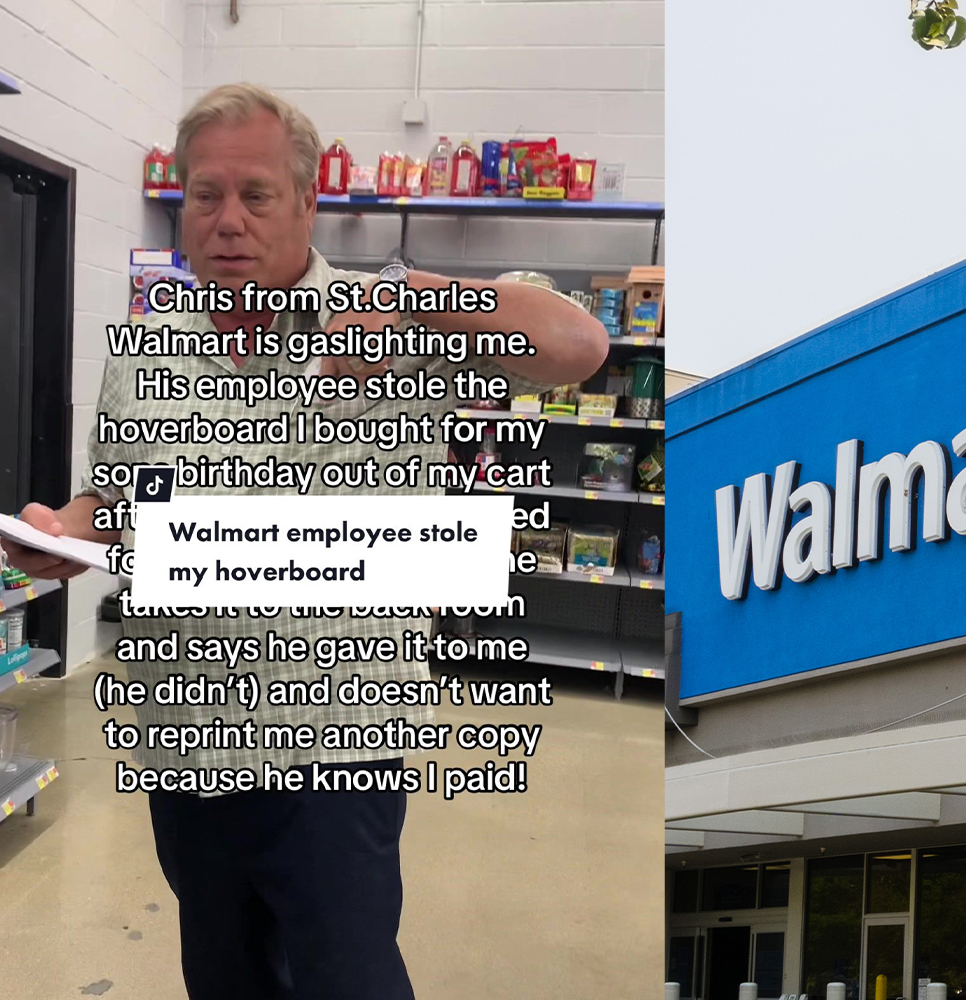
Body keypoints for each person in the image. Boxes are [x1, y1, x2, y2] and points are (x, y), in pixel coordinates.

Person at [0, 83, 607, 999]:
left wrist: (422, 314)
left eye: (257, 196)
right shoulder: (144, 345)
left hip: (333, 747)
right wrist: (64, 530)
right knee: (224, 976)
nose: (228, 221)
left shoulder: (385, 324)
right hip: (185, 734)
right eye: (206, 196)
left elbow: (577, 343)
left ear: (309, 202)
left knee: (348, 977)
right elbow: (118, 494)